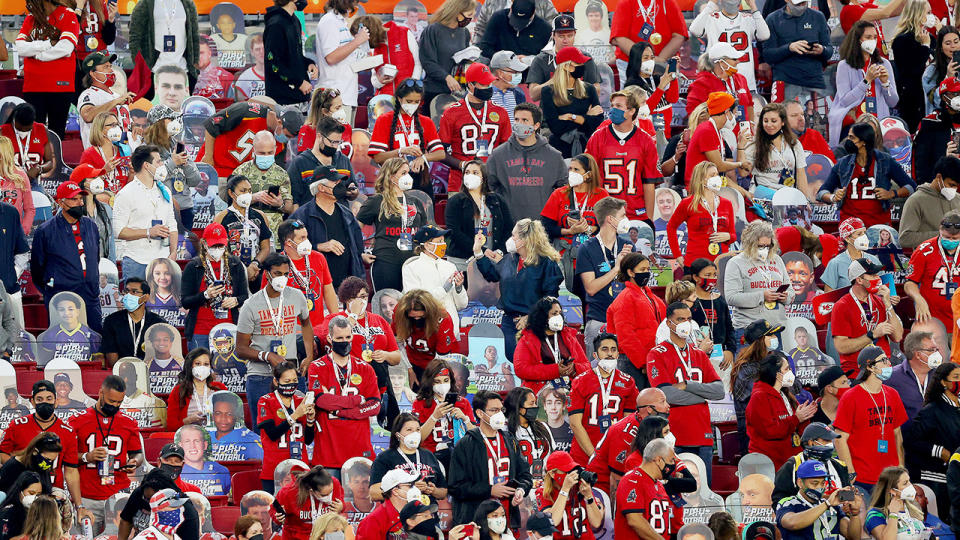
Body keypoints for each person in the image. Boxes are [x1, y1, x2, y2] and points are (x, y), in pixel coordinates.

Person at [648, 301, 724, 482]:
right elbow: (666, 395)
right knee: (678, 491)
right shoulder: (657, 353)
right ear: (668, 323)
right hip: (675, 435)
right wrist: (703, 395)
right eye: (680, 319)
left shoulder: (698, 354)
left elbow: (719, 391)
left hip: (703, 433)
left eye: (688, 319)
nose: (685, 323)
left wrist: (688, 385)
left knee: (704, 490)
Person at [236, 253, 315, 425]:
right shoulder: (251, 305)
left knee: (298, 425)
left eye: (286, 274)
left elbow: (306, 324)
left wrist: (309, 356)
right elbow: (240, 349)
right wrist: (268, 356)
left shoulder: (297, 296)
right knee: (263, 429)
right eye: (278, 274)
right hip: (260, 375)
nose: (283, 278)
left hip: (291, 373)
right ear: (267, 274)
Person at [315, 277, 402, 426]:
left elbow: (397, 356)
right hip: (349, 382)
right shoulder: (335, 318)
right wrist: (353, 316)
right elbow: (329, 341)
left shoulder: (379, 321)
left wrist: (385, 355)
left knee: (389, 427)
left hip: (379, 380)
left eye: (362, 297)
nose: (359, 301)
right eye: (354, 297)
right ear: (345, 300)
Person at [475, 219, 563, 362]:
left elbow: (550, 297)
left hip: (535, 323)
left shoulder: (547, 264)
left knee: (533, 361)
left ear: (524, 240)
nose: (511, 239)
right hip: (510, 322)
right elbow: (492, 275)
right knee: (514, 359)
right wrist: (478, 252)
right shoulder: (510, 259)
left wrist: (530, 317)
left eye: (514, 236)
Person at [308, 315, 381, 474]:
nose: (345, 341)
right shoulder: (316, 367)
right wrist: (357, 400)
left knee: (360, 498)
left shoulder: (365, 368)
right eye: (339, 338)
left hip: (359, 449)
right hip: (328, 452)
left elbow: (375, 405)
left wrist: (341, 411)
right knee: (329, 498)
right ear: (329, 338)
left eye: (348, 337)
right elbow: (321, 400)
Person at [71, 375, 144, 535]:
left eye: (119, 402)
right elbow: (66, 457)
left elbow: (138, 454)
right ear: (100, 393)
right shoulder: (78, 420)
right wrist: (86, 457)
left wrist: (134, 462)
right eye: (111, 401)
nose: (115, 406)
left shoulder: (128, 422)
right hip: (88, 496)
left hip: (117, 495)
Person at [448, 390, 532, 526]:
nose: (499, 414)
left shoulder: (510, 440)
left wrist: (521, 490)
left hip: (506, 517)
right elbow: (455, 487)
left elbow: (525, 475)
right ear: (480, 413)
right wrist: (489, 490)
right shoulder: (466, 444)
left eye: (501, 409)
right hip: (476, 520)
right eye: (494, 410)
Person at [30, 180, 103, 332]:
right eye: (74, 199)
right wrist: (52, 287)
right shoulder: (45, 231)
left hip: (90, 295)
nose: (79, 202)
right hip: (61, 297)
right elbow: (37, 268)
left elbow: (95, 258)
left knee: (96, 339)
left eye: (80, 198)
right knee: (63, 340)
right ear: (61, 203)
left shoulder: (91, 226)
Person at [834, 346, 908, 493]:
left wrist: (900, 466)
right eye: (884, 360)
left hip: (890, 476)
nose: (889, 364)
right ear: (870, 367)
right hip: (863, 477)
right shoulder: (850, 397)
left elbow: (897, 433)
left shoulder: (893, 394)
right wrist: (850, 471)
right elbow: (840, 439)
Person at [0, 385, 82, 515]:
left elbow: (71, 471)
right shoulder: (17, 425)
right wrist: (20, 467)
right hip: (23, 493)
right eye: (39, 398)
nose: (45, 402)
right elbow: (2, 453)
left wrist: (79, 506)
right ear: (32, 401)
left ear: (56, 401)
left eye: (49, 398)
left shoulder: (68, 431)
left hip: (52, 492)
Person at [818, 124, 917, 226]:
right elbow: (821, 192)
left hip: (879, 226)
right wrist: (833, 197)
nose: (847, 140)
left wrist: (892, 194)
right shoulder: (843, 163)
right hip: (851, 228)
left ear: (863, 141)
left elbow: (911, 187)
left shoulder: (885, 160)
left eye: (852, 137)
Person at [586, 91, 661, 223]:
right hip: (605, 213)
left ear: (631, 111)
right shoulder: (597, 138)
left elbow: (649, 183)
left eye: (619, 106)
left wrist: (648, 219)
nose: (613, 109)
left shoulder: (645, 140)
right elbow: (588, 179)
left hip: (636, 212)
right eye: (612, 105)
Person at [438, 62, 513, 192]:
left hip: (491, 181)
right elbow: (439, 152)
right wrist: (463, 165)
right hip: (460, 182)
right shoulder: (451, 113)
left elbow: (507, 148)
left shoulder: (501, 112)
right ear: (470, 85)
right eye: (483, 84)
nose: (488, 87)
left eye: (489, 83)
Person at [289, 164, 366, 288]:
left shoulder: (347, 214)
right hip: (315, 284)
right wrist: (318, 247)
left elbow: (357, 251)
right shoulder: (301, 216)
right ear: (321, 187)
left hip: (346, 286)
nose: (341, 186)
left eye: (341, 182)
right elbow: (290, 248)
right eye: (336, 183)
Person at [486, 103, 566, 222]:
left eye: (525, 120)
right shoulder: (498, 155)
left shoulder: (554, 156)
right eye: (517, 119)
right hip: (509, 226)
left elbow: (564, 191)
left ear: (536, 125)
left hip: (542, 226)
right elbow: (489, 187)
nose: (519, 124)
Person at [357, 158, 429, 291]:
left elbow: (424, 233)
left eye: (408, 172)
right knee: (387, 304)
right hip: (386, 262)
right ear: (391, 176)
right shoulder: (376, 201)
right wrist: (359, 253)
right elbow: (354, 230)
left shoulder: (416, 202)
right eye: (403, 173)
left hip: (413, 262)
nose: (407, 176)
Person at [569, 333, 638, 467]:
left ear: (618, 353)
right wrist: (594, 455)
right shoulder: (580, 381)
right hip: (584, 455)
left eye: (613, 349)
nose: (610, 354)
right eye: (604, 349)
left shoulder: (628, 382)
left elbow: (628, 424)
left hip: (615, 453)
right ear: (595, 355)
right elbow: (575, 424)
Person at [588, 388, 671, 496]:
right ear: (650, 409)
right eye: (663, 402)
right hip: (602, 487)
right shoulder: (625, 433)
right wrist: (617, 511)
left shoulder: (656, 424)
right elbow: (616, 477)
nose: (668, 405)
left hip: (635, 480)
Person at [904, 363, 960, 523]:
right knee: (944, 522)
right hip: (937, 479)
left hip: (956, 474)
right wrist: (940, 451)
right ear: (943, 382)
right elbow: (911, 441)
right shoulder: (932, 410)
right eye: (956, 378)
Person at [112, 145, 178, 280]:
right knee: (136, 301)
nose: (162, 165)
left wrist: (173, 252)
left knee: (163, 301)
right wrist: (148, 232)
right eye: (158, 161)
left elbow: (172, 223)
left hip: (163, 260)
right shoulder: (125, 194)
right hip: (137, 260)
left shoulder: (165, 190)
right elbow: (118, 231)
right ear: (147, 165)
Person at [14, 0, 78, 138]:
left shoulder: (67, 15)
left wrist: (37, 55)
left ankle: (55, 160)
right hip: (33, 85)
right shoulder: (31, 18)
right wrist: (47, 44)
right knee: (34, 134)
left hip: (60, 85)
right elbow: (20, 48)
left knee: (57, 132)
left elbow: (66, 48)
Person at [829, 22, 899, 147]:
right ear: (857, 40)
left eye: (875, 37)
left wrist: (885, 83)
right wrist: (866, 81)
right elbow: (844, 101)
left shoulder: (884, 64)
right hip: (855, 125)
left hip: (879, 125)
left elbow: (893, 102)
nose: (872, 41)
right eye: (868, 37)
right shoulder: (844, 66)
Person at [368, 79, 445, 192]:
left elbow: (441, 153)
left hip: (420, 178)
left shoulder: (426, 121)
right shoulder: (384, 120)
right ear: (399, 99)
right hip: (393, 177)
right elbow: (378, 157)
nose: (413, 105)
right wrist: (401, 151)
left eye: (416, 101)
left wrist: (423, 158)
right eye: (409, 101)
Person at [181, 223, 248, 351]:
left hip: (229, 327)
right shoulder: (194, 266)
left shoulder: (235, 264)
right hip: (200, 329)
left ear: (227, 243)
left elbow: (244, 296)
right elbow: (185, 302)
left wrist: (236, 301)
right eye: (213, 245)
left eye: (220, 245)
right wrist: (205, 295)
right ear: (204, 243)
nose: (217, 249)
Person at [723, 221, 793, 344]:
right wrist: (762, 296)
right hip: (749, 328)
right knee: (749, 364)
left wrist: (785, 297)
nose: (765, 250)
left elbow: (791, 291)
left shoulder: (777, 260)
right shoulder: (736, 263)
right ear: (750, 243)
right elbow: (732, 297)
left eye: (768, 246)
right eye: (760, 246)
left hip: (774, 328)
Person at [831, 259, 903, 374]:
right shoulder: (841, 306)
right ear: (859, 280)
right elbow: (841, 346)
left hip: (884, 368)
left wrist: (888, 304)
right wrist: (872, 335)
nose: (878, 279)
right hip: (857, 371)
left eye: (877, 275)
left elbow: (898, 336)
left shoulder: (880, 301)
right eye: (873, 275)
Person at [745, 352, 817, 468]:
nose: (790, 372)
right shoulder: (759, 397)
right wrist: (797, 418)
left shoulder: (786, 394)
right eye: (787, 369)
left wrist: (805, 416)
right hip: (770, 463)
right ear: (777, 374)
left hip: (791, 460)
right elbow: (770, 431)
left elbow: (797, 427)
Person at [255, 362, 316, 492]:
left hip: (300, 468)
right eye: (287, 380)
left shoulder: (301, 400)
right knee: (275, 510)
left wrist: (311, 419)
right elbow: (272, 434)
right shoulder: (265, 401)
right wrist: (295, 416)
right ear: (276, 382)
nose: (291, 384)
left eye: (294, 380)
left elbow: (309, 440)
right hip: (274, 468)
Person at [606, 253, 665, 385]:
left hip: (652, 359)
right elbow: (626, 337)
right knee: (635, 402)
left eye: (648, 269)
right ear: (630, 272)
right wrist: (643, 362)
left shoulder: (652, 297)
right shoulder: (625, 298)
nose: (647, 273)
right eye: (642, 270)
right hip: (632, 362)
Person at [514, 296, 591, 396]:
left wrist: (574, 368)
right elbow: (521, 369)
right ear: (543, 316)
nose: (558, 316)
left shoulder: (568, 335)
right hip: (540, 393)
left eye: (559, 313)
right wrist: (555, 370)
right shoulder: (528, 338)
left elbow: (586, 365)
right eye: (554, 313)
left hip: (569, 390)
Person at [667, 162, 736, 271]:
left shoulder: (727, 204)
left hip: (721, 263)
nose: (717, 178)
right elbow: (671, 227)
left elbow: (733, 235)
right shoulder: (688, 203)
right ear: (701, 179)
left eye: (717, 174)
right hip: (695, 264)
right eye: (712, 175)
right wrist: (678, 255)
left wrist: (728, 236)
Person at [689, 0, 769, 92]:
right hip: (719, 81)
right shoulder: (712, 19)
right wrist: (711, 4)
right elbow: (694, 29)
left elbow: (764, 35)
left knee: (746, 106)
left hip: (745, 80)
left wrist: (753, 7)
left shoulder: (748, 18)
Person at [763, 0, 833, 104]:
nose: (801, 6)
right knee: (786, 118)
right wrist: (789, 48)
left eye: (803, 3)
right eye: (797, 4)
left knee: (818, 118)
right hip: (786, 82)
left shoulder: (818, 17)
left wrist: (822, 50)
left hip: (815, 82)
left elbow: (829, 50)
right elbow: (768, 55)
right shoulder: (773, 19)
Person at [446, 159, 513, 266]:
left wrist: (501, 251)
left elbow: (509, 228)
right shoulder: (455, 201)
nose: (470, 175)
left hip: (493, 259)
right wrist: (481, 250)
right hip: (462, 260)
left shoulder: (497, 200)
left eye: (475, 173)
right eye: (467, 172)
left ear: (483, 177)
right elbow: (454, 232)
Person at [540, 47, 604, 159]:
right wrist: (586, 117)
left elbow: (597, 121)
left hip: (587, 146)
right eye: (578, 63)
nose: (583, 66)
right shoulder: (548, 91)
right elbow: (556, 127)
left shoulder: (589, 89)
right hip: (559, 149)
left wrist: (571, 117)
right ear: (566, 66)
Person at [775, 460, 864, 540]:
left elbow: (853, 537)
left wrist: (854, 513)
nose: (820, 487)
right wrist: (827, 504)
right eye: (815, 483)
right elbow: (792, 523)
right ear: (800, 483)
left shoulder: (833, 506)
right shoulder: (788, 503)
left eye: (822, 483)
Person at [412, 359, 475, 470]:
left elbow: (475, 435)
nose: (442, 385)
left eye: (446, 380)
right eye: (437, 381)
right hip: (430, 458)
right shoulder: (420, 403)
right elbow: (417, 438)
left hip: (458, 457)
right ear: (430, 382)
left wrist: (465, 419)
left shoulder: (463, 403)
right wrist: (434, 417)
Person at [402, 226, 467, 332]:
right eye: (440, 241)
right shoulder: (411, 268)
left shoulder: (450, 266)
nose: (444, 244)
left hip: (452, 329)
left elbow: (462, 305)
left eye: (443, 241)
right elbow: (416, 303)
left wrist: (459, 289)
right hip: (428, 330)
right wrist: (443, 290)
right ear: (427, 245)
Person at [213, 175, 273, 290]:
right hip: (232, 272)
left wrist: (255, 264)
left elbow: (266, 247)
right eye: (243, 191)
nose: (247, 194)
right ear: (231, 193)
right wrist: (242, 269)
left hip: (256, 272)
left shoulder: (260, 216)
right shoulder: (221, 218)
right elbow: (218, 249)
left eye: (250, 191)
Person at [369, 413, 447, 501]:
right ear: (398, 434)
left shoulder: (428, 455)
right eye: (409, 430)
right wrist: (406, 488)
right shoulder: (385, 458)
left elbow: (443, 491)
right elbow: (373, 493)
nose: (415, 434)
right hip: (400, 511)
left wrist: (433, 490)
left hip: (427, 510)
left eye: (418, 430)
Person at [200, 98, 285, 179]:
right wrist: (208, 155)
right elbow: (211, 124)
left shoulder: (278, 138)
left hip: (241, 175)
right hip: (217, 167)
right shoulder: (244, 111)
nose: (287, 138)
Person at [230, 131, 292, 240]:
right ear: (254, 150)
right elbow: (230, 201)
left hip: (274, 233)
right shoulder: (241, 172)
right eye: (262, 153)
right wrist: (253, 198)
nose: (266, 156)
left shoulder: (282, 174)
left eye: (270, 152)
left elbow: (289, 207)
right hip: (246, 232)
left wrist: (280, 204)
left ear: (275, 149)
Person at [906, 212, 960, 334]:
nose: (950, 241)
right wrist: (918, 298)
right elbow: (909, 283)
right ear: (940, 231)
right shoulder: (924, 250)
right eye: (946, 237)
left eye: (955, 238)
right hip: (932, 323)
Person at [418, 0, 478, 110]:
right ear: (457, 12)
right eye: (469, 15)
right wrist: (446, 77)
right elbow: (427, 61)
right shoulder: (432, 30)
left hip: (458, 92)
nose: (470, 19)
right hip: (435, 91)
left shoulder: (464, 32)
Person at [540, 153, 608, 250]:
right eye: (570, 169)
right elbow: (545, 227)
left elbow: (610, 226)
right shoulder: (559, 194)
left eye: (576, 170)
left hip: (593, 251)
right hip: (563, 252)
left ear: (588, 175)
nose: (571, 172)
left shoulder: (602, 195)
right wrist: (569, 231)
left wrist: (588, 228)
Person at [772, 422, 852, 503]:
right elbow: (779, 498)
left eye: (831, 440)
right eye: (826, 440)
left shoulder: (839, 465)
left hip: (838, 514)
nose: (831, 444)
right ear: (811, 442)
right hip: (804, 513)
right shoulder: (793, 465)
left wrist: (849, 500)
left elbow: (846, 496)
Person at [315, 0, 367, 122]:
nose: (356, 6)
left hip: (347, 97)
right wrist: (357, 41)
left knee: (345, 139)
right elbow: (331, 57)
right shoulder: (329, 21)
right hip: (334, 99)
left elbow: (346, 58)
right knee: (336, 139)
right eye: (355, 2)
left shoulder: (341, 22)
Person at [614, 438, 676, 540]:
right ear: (659, 460)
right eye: (671, 460)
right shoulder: (632, 480)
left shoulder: (658, 484)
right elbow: (634, 520)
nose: (673, 464)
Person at [391, 290, 458, 382]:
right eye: (412, 318)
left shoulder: (443, 319)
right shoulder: (400, 313)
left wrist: (430, 379)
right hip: (412, 359)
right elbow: (397, 342)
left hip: (439, 360)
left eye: (420, 317)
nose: (416, 320)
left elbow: (442, 358)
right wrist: (409, 369)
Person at [685, 92, 750, 187]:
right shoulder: (706, 130)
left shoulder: (715, 130)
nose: (734, 118)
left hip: (710, 185)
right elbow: (719, 166)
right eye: (734, 113)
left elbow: (722, 174)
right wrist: (740, 164)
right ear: (727, 112)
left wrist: (744, 192)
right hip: (699, 188)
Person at [744, 103, 810, 197]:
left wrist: (804, 200)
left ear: (783, 122)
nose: (769, 125)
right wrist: (740, 147)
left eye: (774, 121)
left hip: (788, 198)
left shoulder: (794, 143)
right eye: (765, 121)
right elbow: (743, 172)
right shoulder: (754, 144)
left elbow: (801, 174)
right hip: (763, 197)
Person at [288, 115, 354, 208]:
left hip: (340, 219)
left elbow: (352, 189)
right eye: (332, 141)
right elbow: (294, 202)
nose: (335, 146)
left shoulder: (344, 161)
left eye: (338, 142)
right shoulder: (299, 163)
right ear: (319, 136)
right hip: (311, 219)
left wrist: (353, 192)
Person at [537, 451, 605, 540]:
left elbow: (596, 523)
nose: (572, 475)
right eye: (567, 471)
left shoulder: (580, 486)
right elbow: (553, 521)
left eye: (573, 470)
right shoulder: (543, 492)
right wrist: (565, 490)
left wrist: (589, 496)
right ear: (552, 473)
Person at [100, 277, 165, 366]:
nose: (128, 295)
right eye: (126, 291)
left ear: (145, 297)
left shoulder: (158, 323)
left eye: (134, 292)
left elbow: (163, 355)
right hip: (122, 372)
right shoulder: (111, 321)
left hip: (151, 372)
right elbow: (112, 357)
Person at [901, 157, 960, 250]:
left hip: (956, 261)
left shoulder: (958, 199)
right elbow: (905, 238)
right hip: (927, 260)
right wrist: (942, 235)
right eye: (951, 185)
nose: (953, 189)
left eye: (956, 186)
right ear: (939, 177)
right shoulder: (916, 201)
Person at [77, 51, 133, 150]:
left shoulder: (117, 96)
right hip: (100, 157)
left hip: (123, 154)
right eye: (105, 67)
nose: (111, 70)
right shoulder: (89, 94)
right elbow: (87, 115)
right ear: (93, 73)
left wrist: (135, 129)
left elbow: (126, 126)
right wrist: (115, 102)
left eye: (110, 66)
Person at [685, 43, 755, 119]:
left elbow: (749, 105)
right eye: (734, 59)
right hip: (718, 130)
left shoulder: (741, 79)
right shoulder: (700, 84)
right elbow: (694, 115)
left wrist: (750, 125)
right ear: (721, 62)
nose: (738, 61)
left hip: (744, 129)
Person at [886, 331, 941, 425]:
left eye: (937, 349)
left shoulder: (941, 375)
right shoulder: (891, 378)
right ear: (918, 354)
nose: (936, 354)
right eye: (932, 350)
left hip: (937, 438)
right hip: (906, 438)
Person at [165, 348, 227, 432]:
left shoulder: (220, 388)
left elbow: (232, 417)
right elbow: (171, 426)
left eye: (206, 364)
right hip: (189, 438)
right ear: (190, 366)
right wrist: (189, 420)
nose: (202, 367)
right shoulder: (179, 390)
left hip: (217, 437)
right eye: (198, 364)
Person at [275, 466, 345, 539]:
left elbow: (341, 505)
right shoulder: (288, 493)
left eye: (331, 492)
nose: (329, 497)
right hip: (296, 535)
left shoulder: (334, 483)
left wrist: (341, 507)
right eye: (324, 495)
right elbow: (273, 511)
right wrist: (278, 517)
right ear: (311, 491)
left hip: (325, 534)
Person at [263, 0, 311, 106]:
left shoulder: (295, 20)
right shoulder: (276, 24)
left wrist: (309, 63)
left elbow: (294, 55)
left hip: (298, 97)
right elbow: (273, 62)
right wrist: (298, 82)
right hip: (282, 100)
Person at [863, 467, 928, 540]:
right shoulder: (875, 514)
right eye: (905, 483)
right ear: (892, 490)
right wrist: (893, 514)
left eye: (909, 481)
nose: (910, 486)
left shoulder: (914, 508)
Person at [504, 387, 552, 481]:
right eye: (531, 403)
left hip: (543, 484)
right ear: (519, 408)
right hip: (519, 485)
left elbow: (553, 454)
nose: (535, 407)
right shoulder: (505, 429)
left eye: (535, 403)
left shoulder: (543, 427)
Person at [356, 469, 420, 539]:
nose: (415, 489)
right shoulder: (372, 522)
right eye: (410, 486)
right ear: (395, 491)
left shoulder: (417, 513)